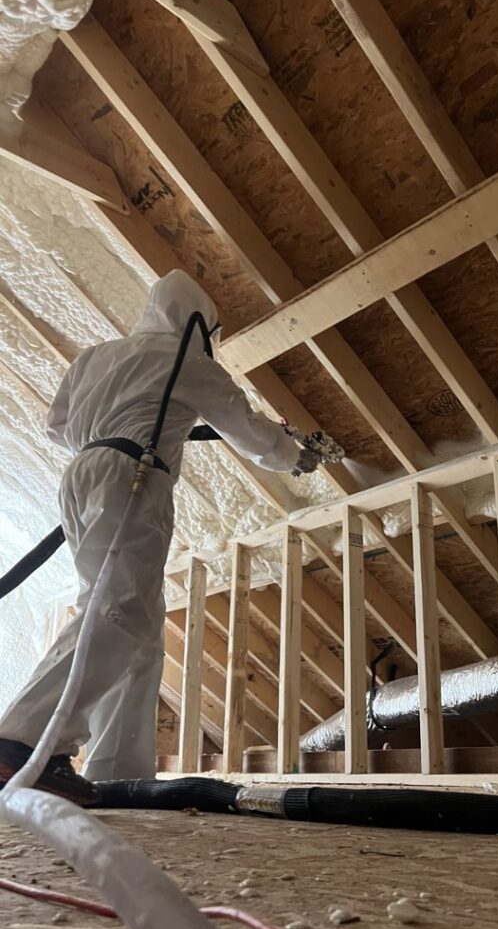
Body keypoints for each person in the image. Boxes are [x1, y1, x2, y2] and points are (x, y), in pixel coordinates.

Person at [0, 270, 322, 803]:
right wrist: (294, 456)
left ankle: (117, 771)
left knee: (139, 629)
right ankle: (23, 740)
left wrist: (118, 428)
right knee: (119, 609)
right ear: (200, 326)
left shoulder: (96, 356)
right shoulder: (188, 363)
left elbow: (55, 428)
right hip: (135, 476)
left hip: (82, 473)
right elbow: (248, 431)